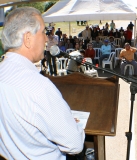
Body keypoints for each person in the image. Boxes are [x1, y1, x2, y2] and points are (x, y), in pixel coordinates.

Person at [0, 7, 85, 160]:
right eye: (43, 32)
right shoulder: (38, 86)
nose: (46, 39)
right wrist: (72, 125)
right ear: (28, 38)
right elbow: (75, 144)